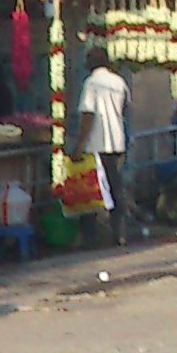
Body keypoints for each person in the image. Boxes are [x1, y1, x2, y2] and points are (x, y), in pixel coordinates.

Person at [74, 45, 131, 246]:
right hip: (116, 143)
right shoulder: (119, 82)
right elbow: (124, 109)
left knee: (90, 191)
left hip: (95, 145)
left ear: (91, 63)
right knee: (116, 188)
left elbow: (87, 116)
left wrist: (79, 146)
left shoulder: (91, 84)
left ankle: (89, 238)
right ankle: (120, 233)